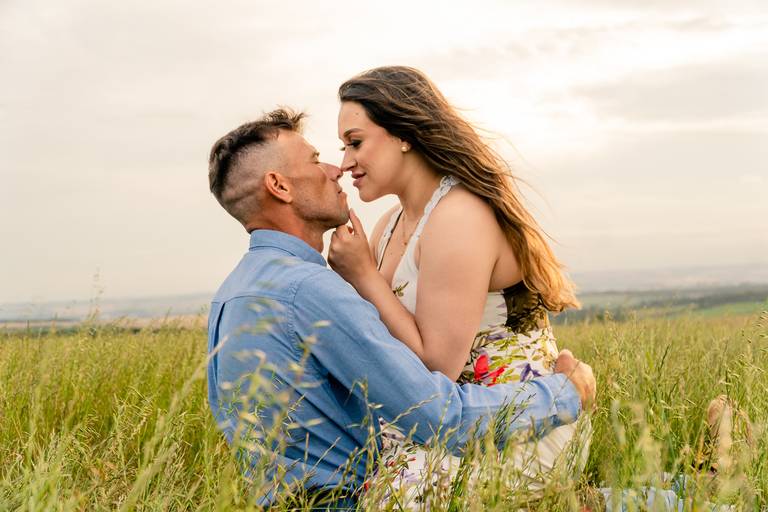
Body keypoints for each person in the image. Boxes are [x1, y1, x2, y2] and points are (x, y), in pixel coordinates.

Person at [206, 108, 596, 509]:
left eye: (352, 145)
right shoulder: (310, 290)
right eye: (314, 159)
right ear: (279, 186)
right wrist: (564, 393)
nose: (334, 169)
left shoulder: (230, 295)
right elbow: (438, 415)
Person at [327, 66, 592, 502]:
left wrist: (362, 276)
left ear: (403, 134)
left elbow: (437, 366)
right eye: (343, 147)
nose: (345, 163)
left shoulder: (458, 215)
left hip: (516, 429)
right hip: (443, 426)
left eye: (355, 142)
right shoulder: (389, 226)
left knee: (393, 500)